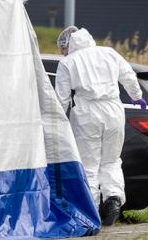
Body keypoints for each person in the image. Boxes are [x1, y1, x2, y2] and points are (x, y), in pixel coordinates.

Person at [55, 25, 141, 227]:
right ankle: (114, 198)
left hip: (87, 113)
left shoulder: (68, 63)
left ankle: (90, 213)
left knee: (89, 165)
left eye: (63, 48)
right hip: (114, 109)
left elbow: (61, 99)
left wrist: (56, 122)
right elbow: (129, 76)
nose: (63, 53)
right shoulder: (109, 53)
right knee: (111, 160)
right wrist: (138, 97)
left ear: (68, 44)